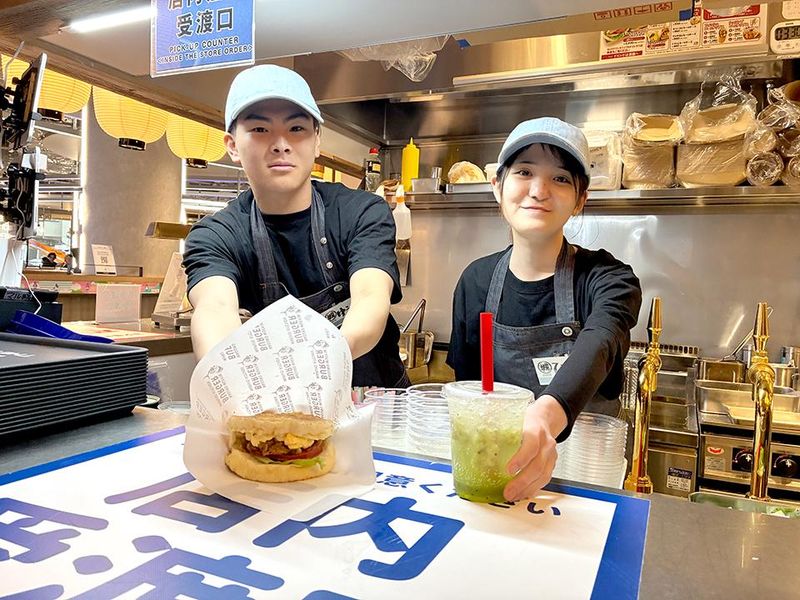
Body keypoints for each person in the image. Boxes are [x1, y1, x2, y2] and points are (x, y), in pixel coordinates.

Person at [446, 117, 642, 502]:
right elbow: (469, 397)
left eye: (561, 178)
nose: (538, 190)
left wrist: (544, 417)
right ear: (497, 186)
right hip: (499, 477)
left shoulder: (609, 279)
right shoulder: (476, 281)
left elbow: (601, 341)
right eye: (524, 172)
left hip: (585, 486)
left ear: (581, 199)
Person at [183, 65, 407, 388]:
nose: (281, 144)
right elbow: (214, 309)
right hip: (277, 407)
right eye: (260, 129)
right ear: (232, 145)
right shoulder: (216, 235)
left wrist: (319, 365)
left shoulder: (361, 211)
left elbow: (371, 296)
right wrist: (229, 377)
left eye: (297, 128)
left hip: (376, 403)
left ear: (317, 141)